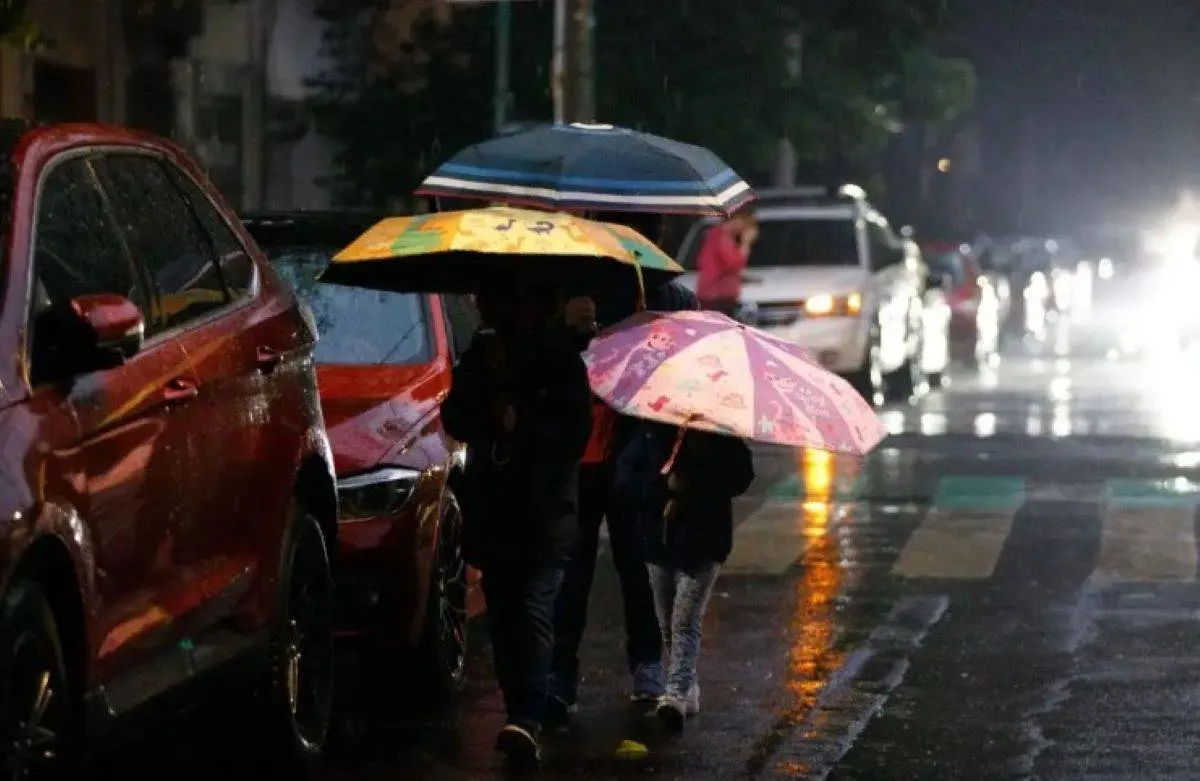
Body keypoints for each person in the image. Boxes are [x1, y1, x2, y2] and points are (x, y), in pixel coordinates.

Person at [547, 212, 697, 723]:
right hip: (584, 454)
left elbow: (685, 380)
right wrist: (571, 331)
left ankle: (648, 666)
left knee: (640, 565)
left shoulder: (671, 300)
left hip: (640, 455)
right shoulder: (574, 292)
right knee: (574, 569)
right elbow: (553, 369)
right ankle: (559, 678)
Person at [440, 281, 593, 766]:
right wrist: (487, 404)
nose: (495, 309)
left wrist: (521, 422)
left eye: (509, 300)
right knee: (504, 614)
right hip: (493, 507)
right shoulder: (482, 357)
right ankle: (517, 709)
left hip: (544, 511)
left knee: (531, 606)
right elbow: (454, 417)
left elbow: (571, 436)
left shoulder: (560, 361)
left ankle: (528, 716)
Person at [635, 429, 755, 731]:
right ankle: (688, 687)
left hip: (704, 541)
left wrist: (699, 472)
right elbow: (629, 475)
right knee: (666, 621)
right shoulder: (654, 430)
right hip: (659, 539)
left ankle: (675, 691)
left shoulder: (721, 434)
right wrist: (664, 483)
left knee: (684, 620)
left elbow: (740, 478)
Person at [695, 206, 758, 315]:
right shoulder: (722, 236)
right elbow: (734, 263)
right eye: (747, 223)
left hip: (716, 296)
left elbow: (722, 267)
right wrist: (745, 243)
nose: (746, 228)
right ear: (738, 219)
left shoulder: (716, 235)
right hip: (717, 298)